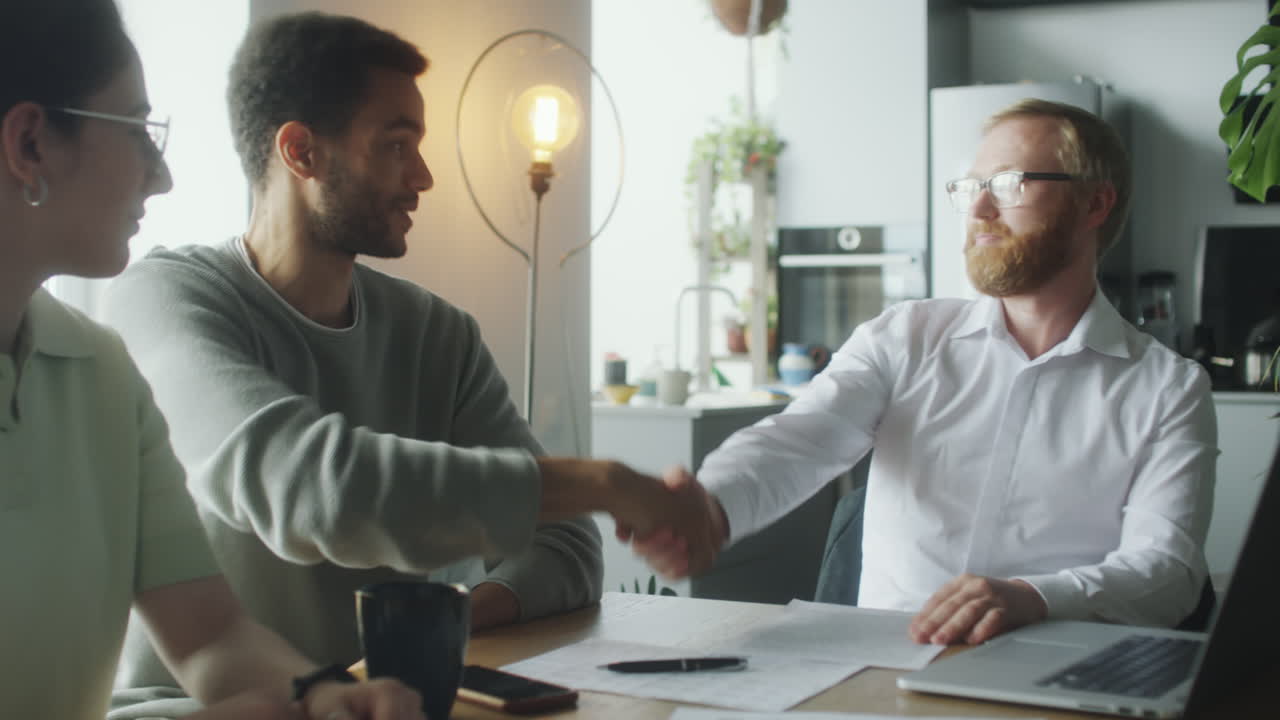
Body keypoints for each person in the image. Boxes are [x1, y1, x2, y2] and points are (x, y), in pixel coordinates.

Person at [103, 11, 711, 717]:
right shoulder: (166, 298)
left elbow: (568, 546)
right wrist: (605, 481)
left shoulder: (438, 336)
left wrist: (438, 629)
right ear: (301, 152)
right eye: (396, 146)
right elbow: (309, 486)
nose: (422, 176)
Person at [636, 99, 1216, 647]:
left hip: (1056, 677)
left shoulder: (1168, 388)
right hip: (883, 674)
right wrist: (710, 506)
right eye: (971, 189)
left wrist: (1033, 598)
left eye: (1010, 184)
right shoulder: (905, 338)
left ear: (1095, 205)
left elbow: (1167, 572)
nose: (981, 210)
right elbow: (799, 438)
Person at [0, 2, 426, 719]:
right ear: (32, 143)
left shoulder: (102, 370)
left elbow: (210, 636)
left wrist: (324, 697)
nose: (160, 176)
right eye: (137, 129)